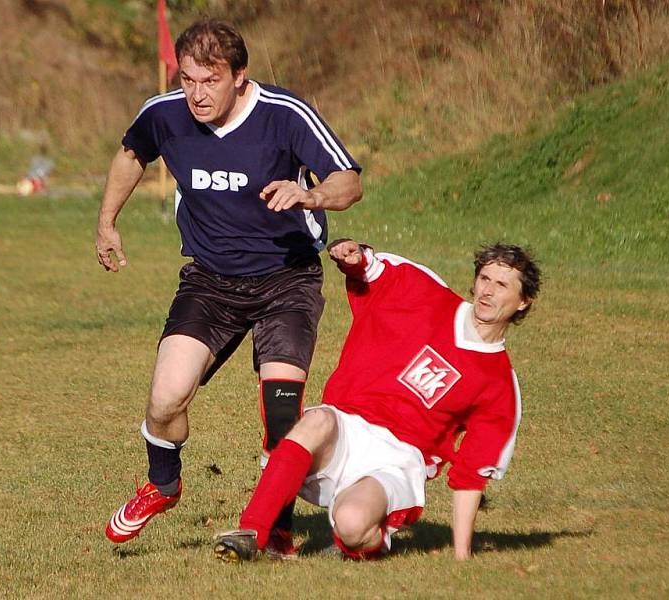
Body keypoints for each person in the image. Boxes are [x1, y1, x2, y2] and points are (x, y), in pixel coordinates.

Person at [97, 19, 362, 557]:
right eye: (188, 79)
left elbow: (348, 181)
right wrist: (106, 222)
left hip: (287, 279)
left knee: (281, 412)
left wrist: (311, 197)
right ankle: (163, 483)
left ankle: (276, 529)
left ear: (239, 77)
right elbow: (131, 155)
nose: (196, 93)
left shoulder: (284, 115)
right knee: (165, 400)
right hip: (210, 281)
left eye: (209, 81)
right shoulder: (164, 113)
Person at [213, 238, 541, 561]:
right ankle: (252, 532)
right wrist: (352, 257)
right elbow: (374, 271)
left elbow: (470, 475)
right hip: (346, 428)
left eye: (501, 285)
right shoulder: (428, 295)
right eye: (484, 278)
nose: (487, 291)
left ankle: (366, 540)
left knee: (352, 523)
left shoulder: (500, 384)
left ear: (523, 301)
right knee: (317, 419)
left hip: (397, 462)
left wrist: (461, 556)